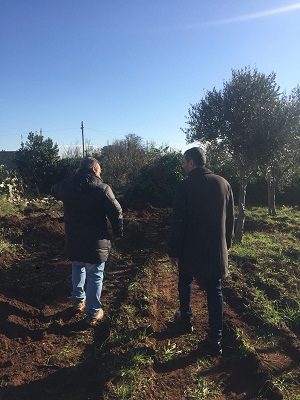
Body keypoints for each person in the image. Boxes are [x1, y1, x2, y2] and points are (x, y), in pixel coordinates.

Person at [168, 147, 234, 355]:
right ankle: (215, 339)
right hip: (215, 249)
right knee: (215, 289)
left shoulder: (185, 186)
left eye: (184, 162)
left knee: (185, 280)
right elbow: (230, 219)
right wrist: (227, 245)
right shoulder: (224, 183)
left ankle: (186, 319)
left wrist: (173, 250)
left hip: (190, 248)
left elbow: (179, 221)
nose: (182, 165)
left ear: (192, 163)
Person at [51, 157, 123, 326]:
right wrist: (118, 232)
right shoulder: (103, 189)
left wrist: (69, 182)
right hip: (95, 242)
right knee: (95, 274)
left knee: (77, 266)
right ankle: (92, 312)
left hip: (74, 240)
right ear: (93, 170)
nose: (100, 174)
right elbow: (117, 212)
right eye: (99, 171)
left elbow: (53, 189)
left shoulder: (66, 186)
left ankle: (78, 302)